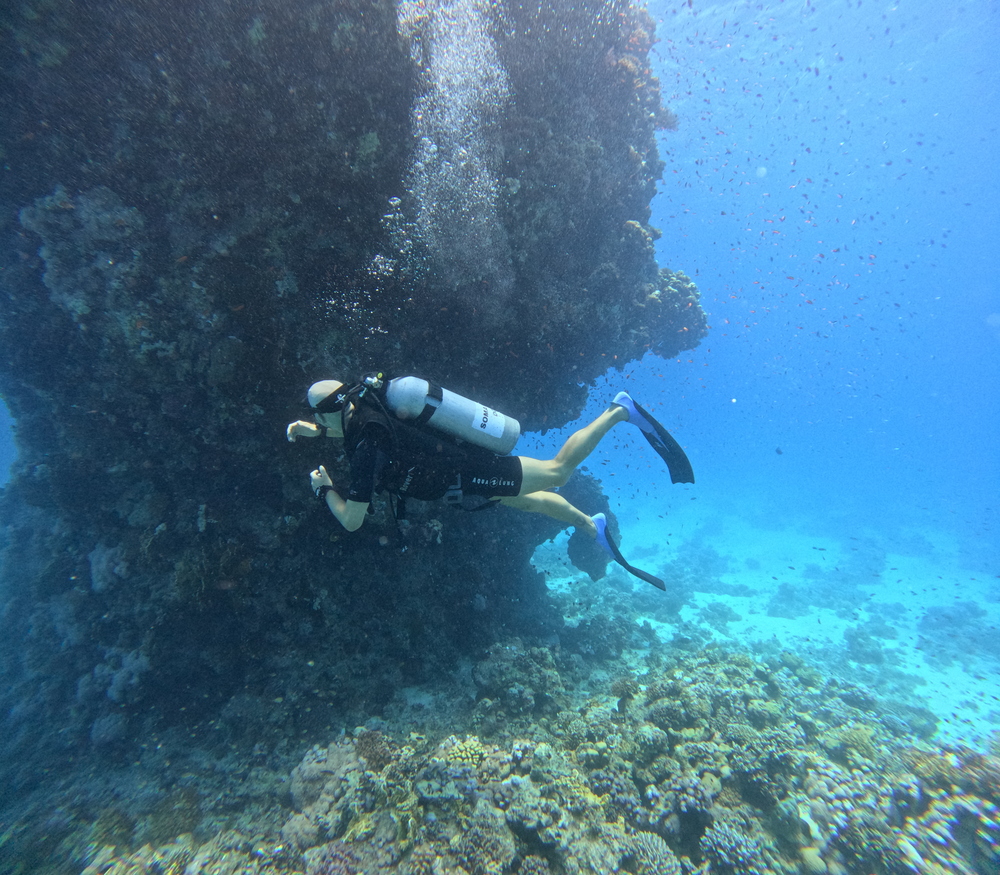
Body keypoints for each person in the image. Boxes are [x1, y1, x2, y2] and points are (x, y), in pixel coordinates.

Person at [286, 377, 693, 588]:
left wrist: (325, 489)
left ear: (331, 409)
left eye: (317, 415)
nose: (318, 421)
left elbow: (352, 519)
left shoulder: (365, 445)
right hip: (456, 480)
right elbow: (360, 430)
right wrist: (315, 431)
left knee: (556, 472)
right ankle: (591, 525)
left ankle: (619, 411)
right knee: (529, 500)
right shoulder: (362, 404)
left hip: (465, 470)